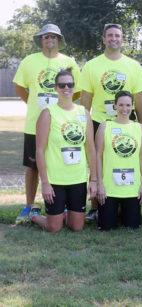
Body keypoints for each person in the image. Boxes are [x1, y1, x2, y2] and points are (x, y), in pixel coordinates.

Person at [12, 24, 80, 224]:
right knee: (32, 166)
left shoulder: (69, 62)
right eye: (45, 36)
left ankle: (64, 206)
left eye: (54, 36)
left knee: (62, 162)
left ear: (59, 40)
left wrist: (62, 106)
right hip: (34, 123)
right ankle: (29, 205)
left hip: (62, 125)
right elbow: (19, 88)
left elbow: (76, 91)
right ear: (41, 39)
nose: (49, 39)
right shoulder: (29, 61)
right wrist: (34, 104)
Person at [80, 23, 142, 221]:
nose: (113, 38)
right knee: (96, 162)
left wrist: (141, 123)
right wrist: (86, 124)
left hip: (127, 122)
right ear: (104, 39)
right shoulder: (92, 65)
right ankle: (95, 207)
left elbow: (140, 97)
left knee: (126, 160)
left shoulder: (133, 65)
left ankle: (126, 202)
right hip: (99, 120)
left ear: (122, 39)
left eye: (117, 35)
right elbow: (86, 97)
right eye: (109, 35)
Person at [31, 68, 97, 232]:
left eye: (70, 84)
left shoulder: (84, 113)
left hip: (77, 179)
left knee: (77, 227)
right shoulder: (48, 113)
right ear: (55, 88)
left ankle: (64, 213)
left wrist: (94, 179)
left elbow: (90, 148)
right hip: (55, 181)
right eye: (62, 85)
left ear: (74, 87)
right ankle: (34, 215)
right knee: (53, 228)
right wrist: (45, 182)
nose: (66, 88)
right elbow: (39, 150)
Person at [95, 91, 142, 230]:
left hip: (132, 188)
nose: (125, 109)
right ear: (115, 106)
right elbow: (98, 156)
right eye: (121, 105)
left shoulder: (140, 128)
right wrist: (99, 184)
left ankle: (122, 210)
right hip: (109, 188)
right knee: (107, 227)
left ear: (132, 106)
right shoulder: (104, 127)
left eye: (128, 105)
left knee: (133, 226)